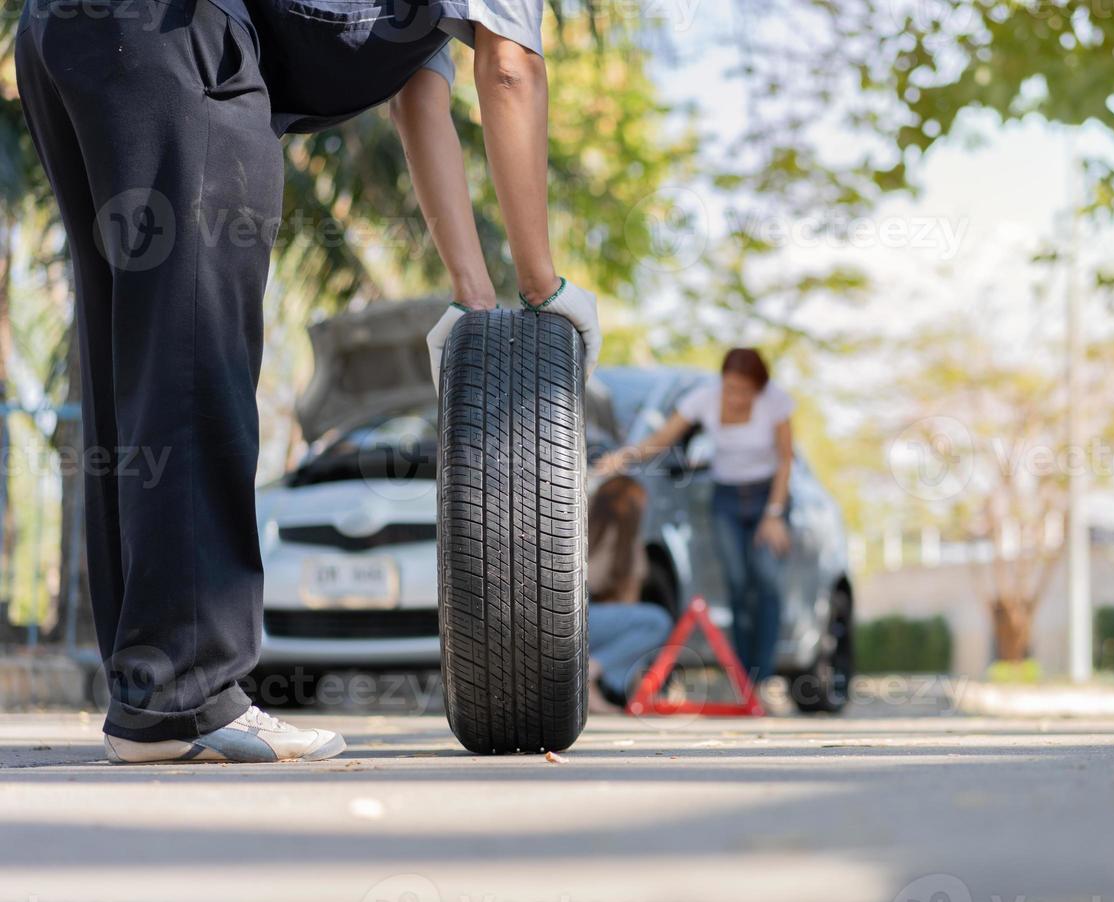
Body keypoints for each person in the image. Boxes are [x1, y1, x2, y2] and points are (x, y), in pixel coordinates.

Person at [15, 0, 598, 763]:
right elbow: (512, 71)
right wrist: (543, 285)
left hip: (69, 33)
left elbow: (420, 100)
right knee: (198, 353)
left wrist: (476, 298)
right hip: (180, 40)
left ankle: (152, 694)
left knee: (137, 355)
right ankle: (183, 699)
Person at [596, 349, 794, 684]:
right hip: (726, 498)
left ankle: (764, 677)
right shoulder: (704, 399)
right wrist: (623, 458)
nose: (735, 398)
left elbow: (786, 460)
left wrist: (774, 513)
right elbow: (662, 439)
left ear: (758, 388)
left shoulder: (775, 402)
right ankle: (746, 680)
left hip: (766, 496)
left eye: (744, 391)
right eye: (730, 389)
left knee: (765, 581)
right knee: (737, 584)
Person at [586, 477, 673, 712]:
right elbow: (630, 607)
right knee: (656, 622)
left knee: (637, 628)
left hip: (560, 621)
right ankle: (591, 671)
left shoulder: (579, 531)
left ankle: (593, 682)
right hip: (585, 621)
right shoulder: (628, 542)